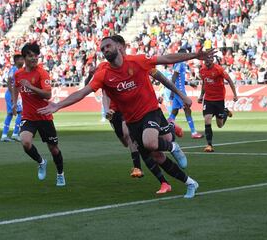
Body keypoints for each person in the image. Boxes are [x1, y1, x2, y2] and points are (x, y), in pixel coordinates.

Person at [39, 36, 216, 198]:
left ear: (118, 46)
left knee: (151, 143)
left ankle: (173, 145)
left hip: (150, 111)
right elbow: (82, 92)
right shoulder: (103, 73)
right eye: (102, 49)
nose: (105, 50)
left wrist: (194, 55)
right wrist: (58, 105)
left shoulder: (137, 60)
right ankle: (190, 183)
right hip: (131, 120)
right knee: (157, 157)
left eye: (108, 46)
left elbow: (166, 59)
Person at [12, 42, 65, 187]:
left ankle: (60, 174)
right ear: (24, 58)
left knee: (54, 149)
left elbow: (47, 95)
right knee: (25, 142)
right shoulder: (18, 74)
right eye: (30, 55)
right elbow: (15, 86)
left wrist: (30, 86)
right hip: (29, 116)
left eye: (36, 55)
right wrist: (14, 102)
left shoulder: (42, 73)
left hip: (44, 116)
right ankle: (41, 162)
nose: (34, 58)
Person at [198, 56, 238, 152]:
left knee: (219, 125)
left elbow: (229, 80)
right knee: (207, 120)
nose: (207, 61)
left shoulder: (218, 69)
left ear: (212, 60)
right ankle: (209, 145)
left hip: (219, 99)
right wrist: (201, 96)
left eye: (208, 60)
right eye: (205, 60)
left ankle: (225, 112)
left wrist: (235, 94)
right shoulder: (202, 70)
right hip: (208, 99)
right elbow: (204, 83)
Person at [168, 49, 203, 139]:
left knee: (174, 112)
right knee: (187, 109)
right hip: (179, 92)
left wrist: (189, 83)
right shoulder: (179, 63)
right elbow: (173, 78)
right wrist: (172, 92)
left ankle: (165, 130)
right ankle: (193, 132)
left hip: (178, 91)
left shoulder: (182, 64)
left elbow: (180, 80)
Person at [0, 53, 25, 142]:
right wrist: (13, 96)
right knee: (20, 113)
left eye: (23, 59)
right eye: (20, 59)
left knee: (10, 114)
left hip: (12, 94)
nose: (22, 61)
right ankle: (15, 134)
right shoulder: (14, 70)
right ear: (16, 61)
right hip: (12, 94)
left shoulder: (18, 70)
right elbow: (9, 83)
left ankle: (4, 135)